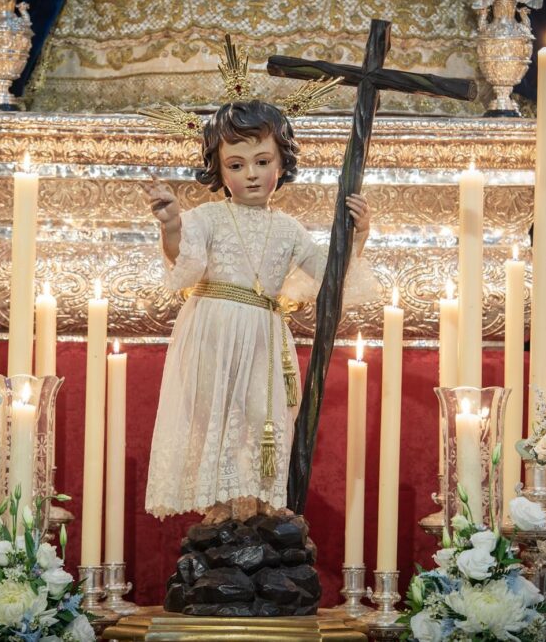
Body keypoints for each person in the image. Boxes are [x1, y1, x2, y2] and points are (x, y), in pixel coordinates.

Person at [144, 100, 378, 522]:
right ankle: (220, 505)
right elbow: (184, 261)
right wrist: (172, 225)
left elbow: (329, 276)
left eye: (261, 161)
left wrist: (358, 237)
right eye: (236, 165)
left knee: (263, 414)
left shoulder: (288, 229)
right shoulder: (210, 217)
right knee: (214, 412)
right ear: (218, 169)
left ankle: (260, 502)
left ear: (281, 162)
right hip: (213, 328)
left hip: (264, 334)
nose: (250, 174)